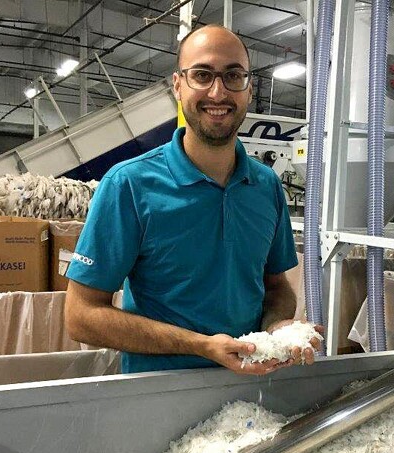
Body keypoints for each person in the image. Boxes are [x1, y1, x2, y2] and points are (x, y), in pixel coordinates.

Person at [64, 24, 320, 375]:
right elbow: (81, 316)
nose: (218, 92)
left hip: (249, 391)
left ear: (248, 88)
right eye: (202, 75)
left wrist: (278, 326)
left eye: (233, 76)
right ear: (177, 84)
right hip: (158, 393)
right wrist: (201, 346)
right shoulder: (129, 185)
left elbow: (276, 287)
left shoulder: (265, 186)